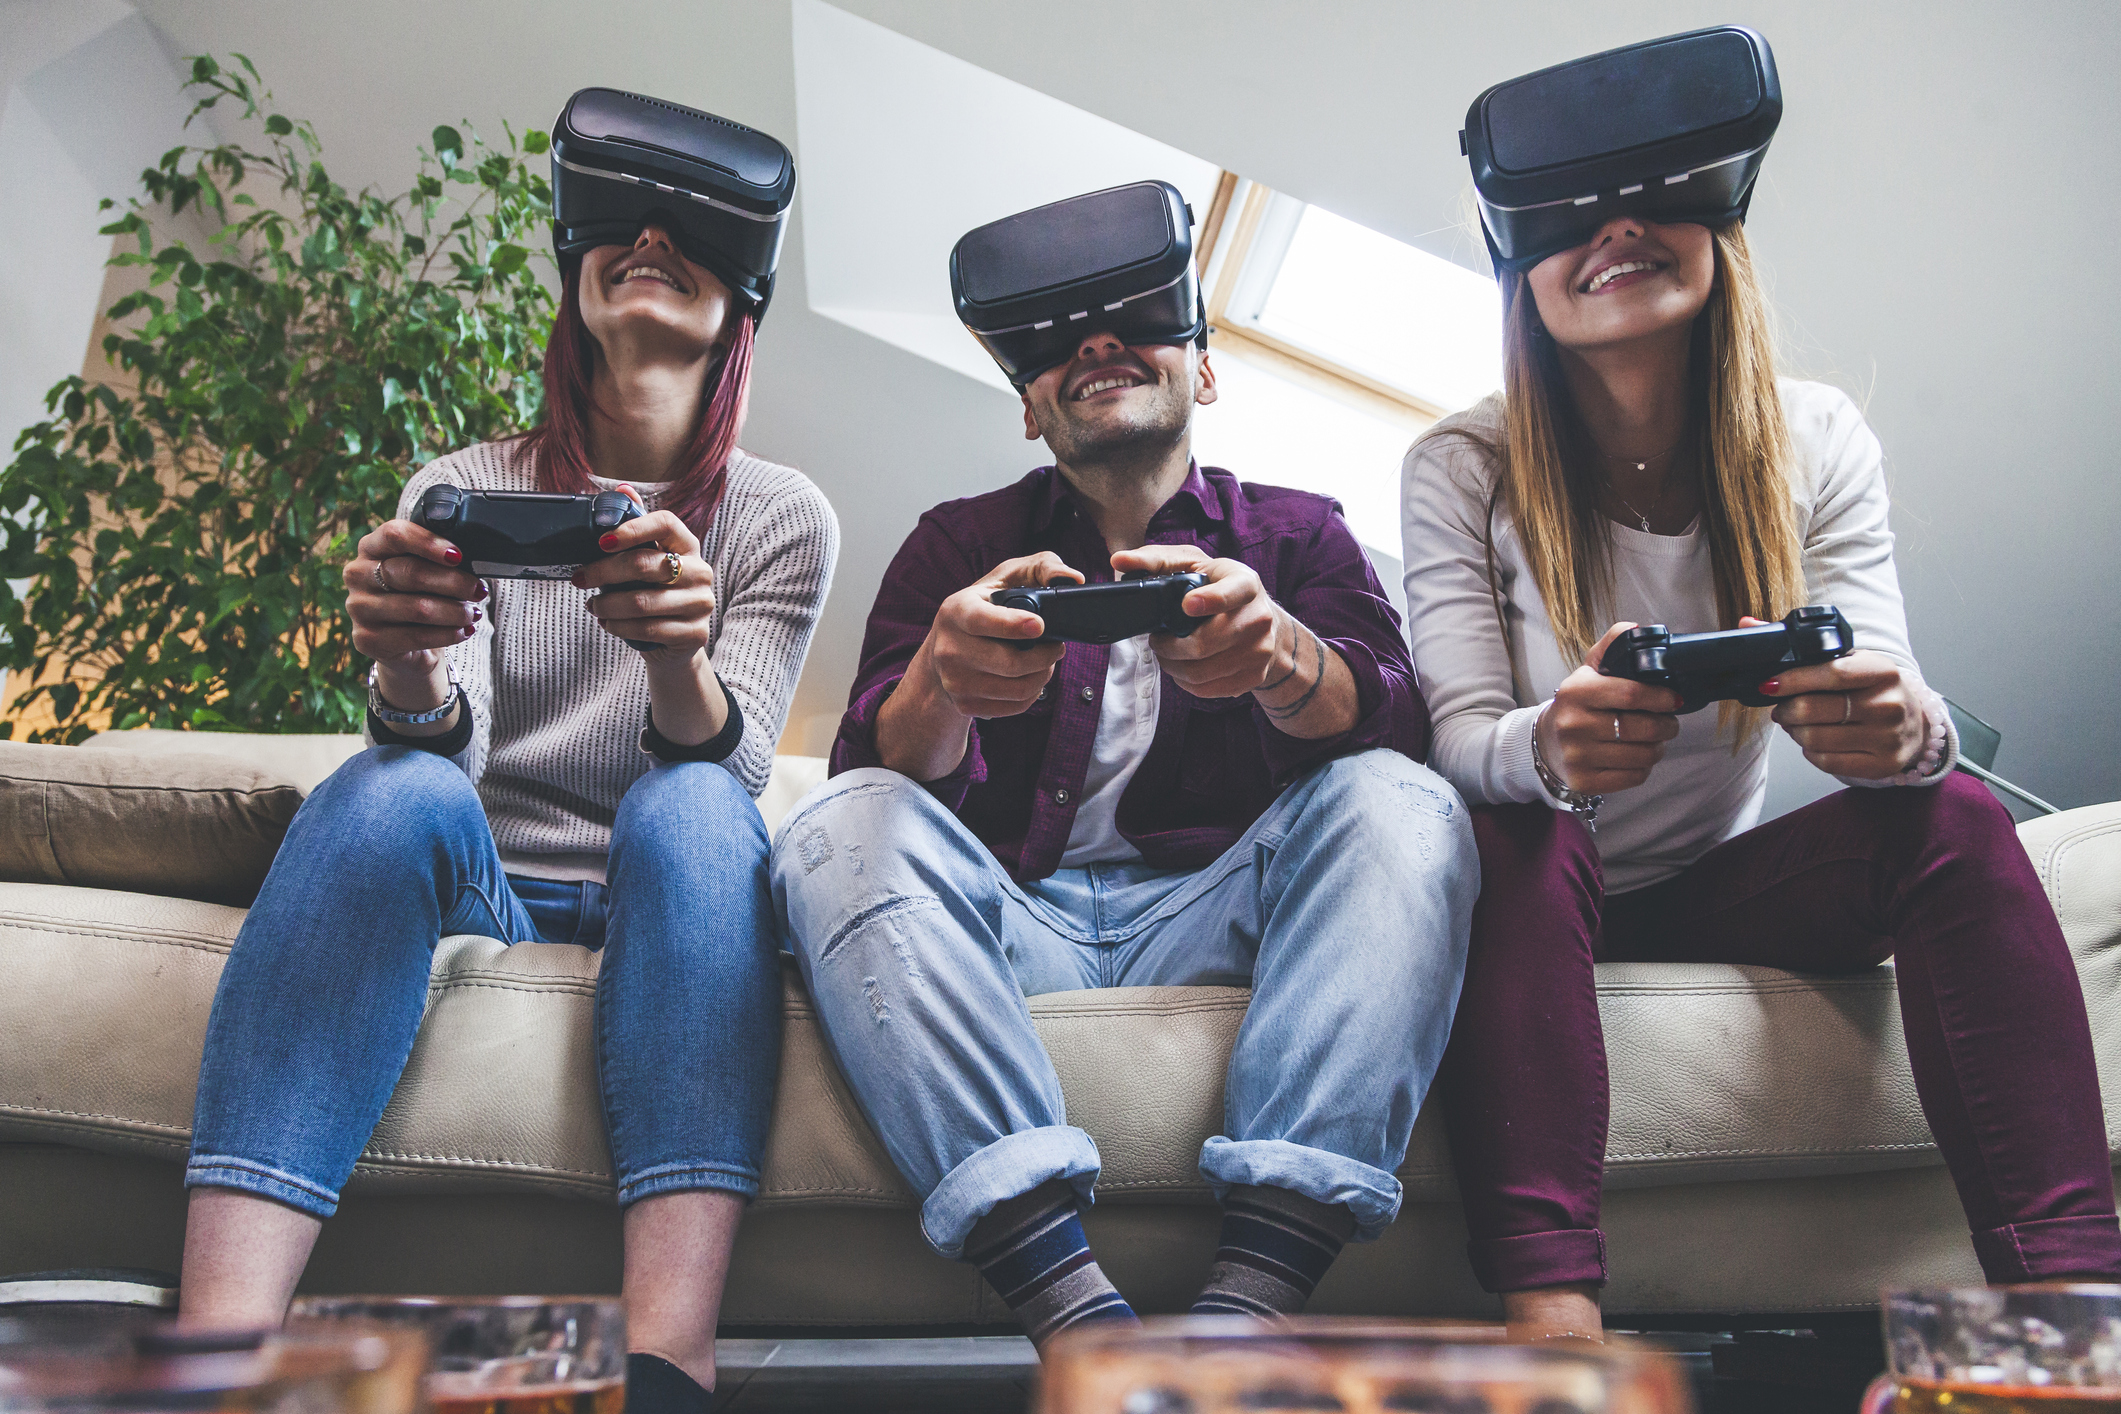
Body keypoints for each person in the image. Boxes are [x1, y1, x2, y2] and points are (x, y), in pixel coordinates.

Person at [773, 184, 1476, 1350]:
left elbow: (1399, 733)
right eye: (1052, 341)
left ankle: (1245, 1317)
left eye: (1134, 318)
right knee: (833, 823)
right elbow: (870, 783)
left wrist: (1286, 662)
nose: (1093, 344)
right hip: (1014, 921)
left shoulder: (1299, 534)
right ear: (1030, 409)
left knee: (1406, 799)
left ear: (1204, 368)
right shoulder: (956, 544)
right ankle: (1076, 1317)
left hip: (1228, 911)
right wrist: (940, 685)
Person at [1400, 209, 2121, 1338]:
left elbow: (1897, 682)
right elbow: (1459, 737)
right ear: (1516, 267)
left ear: (1722, 222)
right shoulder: (1462, 463)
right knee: (1514, 827)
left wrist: (1902, 733)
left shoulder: (1813, 434)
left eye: (1659, 188)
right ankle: (1557, 1334)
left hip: (1704, 895)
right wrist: (1548, 746)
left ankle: (2074, 1320)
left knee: (1955, 810)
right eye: (1569, 210)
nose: (1619, 225)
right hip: (1530, 900)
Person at [177, 213, 838, 1412]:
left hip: (666, 882)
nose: (647, 232)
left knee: (690, 807)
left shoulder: (783, 514)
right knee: (394, 787)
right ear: (571, 275)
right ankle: (217, 1355)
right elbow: (451, 746)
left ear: (743, 302)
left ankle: (667, 1366)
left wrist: (675, 653)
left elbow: (729, 777)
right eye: (619, 216)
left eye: (690, 223)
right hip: (489, 873)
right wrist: (409, 663)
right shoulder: (458, 483)